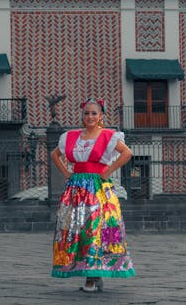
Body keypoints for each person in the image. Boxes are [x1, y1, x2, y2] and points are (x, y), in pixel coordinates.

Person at [50, 98, 135, 292]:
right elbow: (55, 154)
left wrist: (107, 171)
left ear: (101, 116)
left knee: (96, 229)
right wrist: (66, 173)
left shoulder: (108, 135)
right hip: (76, 189)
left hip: (98, 188)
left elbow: (127, 153)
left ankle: (94, 274)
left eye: (94, 113)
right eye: (87, 113)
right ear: (82, 115)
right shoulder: (71, 136)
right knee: (77, 230)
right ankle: (89, 274)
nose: (90, 116)